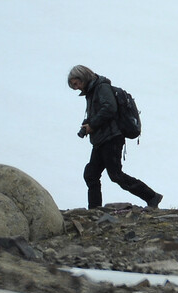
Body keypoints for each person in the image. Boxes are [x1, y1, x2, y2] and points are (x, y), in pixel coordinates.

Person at [68, 65, 162, 210]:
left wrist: (92, 124)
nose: (76, 88)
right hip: (101, 140)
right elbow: (101, 111)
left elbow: (110, 108)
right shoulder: (92, 92)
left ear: (83, 77)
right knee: (91, 174)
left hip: (112, 138)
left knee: (116, 175)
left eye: (76, 83)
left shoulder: (101, 88)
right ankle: (94, 210)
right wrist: (88, 124)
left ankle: (151, 196)